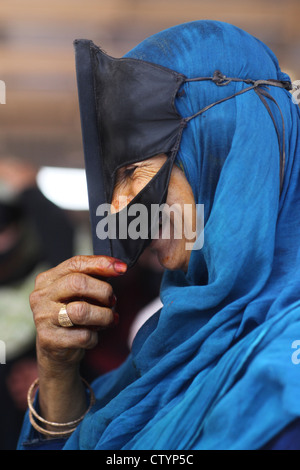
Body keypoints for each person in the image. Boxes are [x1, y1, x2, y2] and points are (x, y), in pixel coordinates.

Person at [17, 20, 300, 450]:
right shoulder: (170, 341)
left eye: (133, 172)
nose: (117, 209)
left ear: (223, 154)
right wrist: (57, 377)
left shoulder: (285, 370)